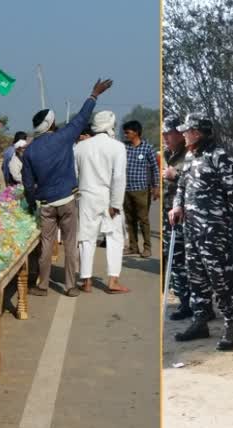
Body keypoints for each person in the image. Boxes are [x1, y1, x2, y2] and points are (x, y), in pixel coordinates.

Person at [21, 77, 113, 297]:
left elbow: (27, 183)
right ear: (52, 124)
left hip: (45, 204)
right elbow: (82, 118)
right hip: (67, 200)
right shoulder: (63, 137)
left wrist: (32, 202)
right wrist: (94, 94)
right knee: (70, 245)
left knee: (46, 245)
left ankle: (42, 286)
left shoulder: (30, 151)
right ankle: (71, 286)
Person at [169, 113, 233, 351]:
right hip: (191, 230)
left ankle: (230, 327)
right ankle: (200, 321)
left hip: (214, 233)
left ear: (198, 132)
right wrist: (177, 204)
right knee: (196, 278)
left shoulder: (220, 157)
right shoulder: (191, 155)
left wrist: (220, 221)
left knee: (221, 278)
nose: (183, 134)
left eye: (187, 130)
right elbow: (182, 185)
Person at [74, 110, 129, 294]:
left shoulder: (79, 147)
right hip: (108, 197)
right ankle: (113, 281)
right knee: (115, 238)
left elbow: (74, 176)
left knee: (86, 239)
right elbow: (119, 178)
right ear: (110, 125)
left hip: (86, 196)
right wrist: (115, 204)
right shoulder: (118, 147)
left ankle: (86, 281)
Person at [162, 115, 196, 321]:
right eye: (163, 133)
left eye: (169, 133)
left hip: (187, 215)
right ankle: (184, 301)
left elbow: (197, 179)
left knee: (189, 261)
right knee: (174, 260)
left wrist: (176, 175)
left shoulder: (190, 155)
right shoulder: (168, 154)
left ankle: (195, 304)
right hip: (170, 213)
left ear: (180, 134)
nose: (165, 137)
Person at [122, 120, 160, 258]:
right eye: (125, 132)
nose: (125, 134)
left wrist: (156, 187)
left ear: (136, 132)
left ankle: (147, 248)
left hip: (142, 190)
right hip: (126, 189)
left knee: (143, 219)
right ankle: (133, 247)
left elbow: (155, 169)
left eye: (128, 132)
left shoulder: (148, 148)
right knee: (129, 219)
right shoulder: (124, 148)